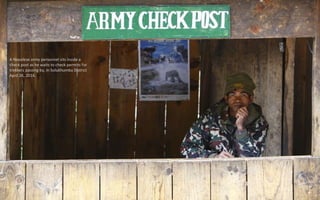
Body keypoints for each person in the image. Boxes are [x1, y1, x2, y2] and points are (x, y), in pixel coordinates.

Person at [180, 72, 268, 158]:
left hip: (243, 171)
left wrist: (241, 129)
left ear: (251, 99)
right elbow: (186, 148)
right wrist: (213, 157)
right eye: (232, 94)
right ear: (226, 98)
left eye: (243, 95)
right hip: (213, 170)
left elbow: (253, 158)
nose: (237, 99)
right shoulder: (210, 117)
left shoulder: (259, 123)